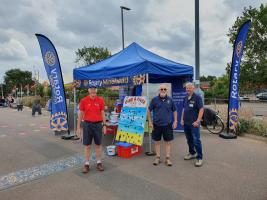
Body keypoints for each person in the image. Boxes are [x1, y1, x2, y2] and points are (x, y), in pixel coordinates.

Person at [76, 87, 106, 173]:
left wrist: (104, 125)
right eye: (92, 92)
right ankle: (86, 164)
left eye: (94, 92)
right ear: (89, 92)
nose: (93, 93)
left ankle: (99, 163)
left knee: (98, 145)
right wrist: (78, 127)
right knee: (87, 145)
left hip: (98, 125)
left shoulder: (100, 100)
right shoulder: (84, 101)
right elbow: (80, 114)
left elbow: (102, 113)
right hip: (87, 125)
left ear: (96, 92)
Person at [148, 84, 177, 166]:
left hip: (167, 125)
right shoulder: (154, 100)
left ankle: (167, 158)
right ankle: (157, 157)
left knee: (168, 142)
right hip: (156, 125)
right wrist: (150, 122)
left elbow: (174, 111)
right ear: (159, 90)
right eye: (161, 89)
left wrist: (175, 121)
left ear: (166, 90)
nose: (163, 90)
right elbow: (149, 110)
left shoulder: (170, 100)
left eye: (165, 89)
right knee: (157, 142)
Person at [181, 82, 204, 167]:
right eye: (187, 88)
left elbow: (201, 109)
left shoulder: (197, 97)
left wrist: (198, 121)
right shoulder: (185, 98)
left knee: (196, 141)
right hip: (186, 123)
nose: (188, 89)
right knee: (189, 139)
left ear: (193, 88)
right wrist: (181, 119)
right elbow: (184, 109)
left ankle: (199, 158)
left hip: (194, 124)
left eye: (189, 88)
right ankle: (192, 153)